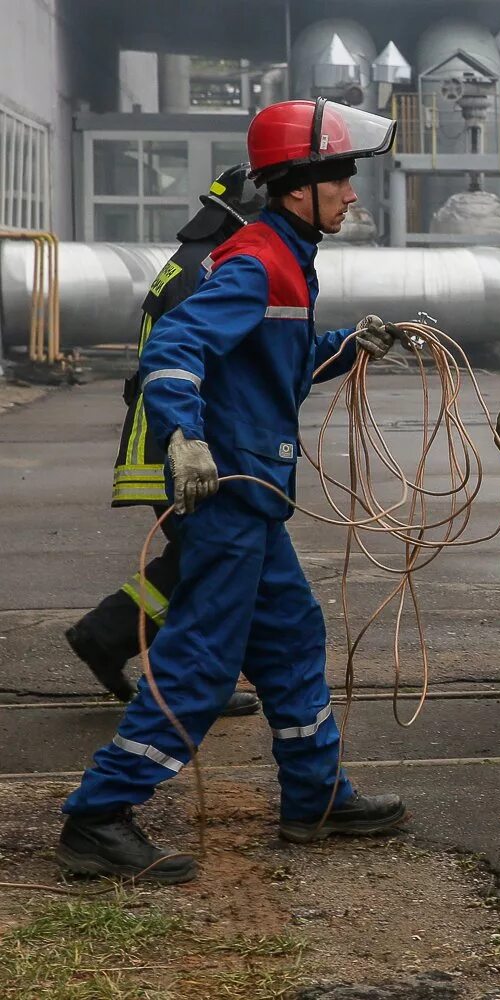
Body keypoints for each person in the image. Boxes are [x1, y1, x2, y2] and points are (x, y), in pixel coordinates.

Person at [57, 99, 411, 884]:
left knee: (290, 640)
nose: (352, 194)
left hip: (255, 494)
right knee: (199, 664)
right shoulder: (258, 259)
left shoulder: (286, 253)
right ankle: (98, 817)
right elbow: (178, 346)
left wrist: (350, 348)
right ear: (297, 187)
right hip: (229, 495)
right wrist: (184, 435)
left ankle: (316, 798)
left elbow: (272, 361)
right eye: (341, 179)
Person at [66, 164, 265, 717]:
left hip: (171, 434)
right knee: (214, 564)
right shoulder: (209, 268)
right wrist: (193, 438)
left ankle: (105, 635)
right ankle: (193, 681)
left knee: (195, 560)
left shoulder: (194, 260)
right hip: (180, 440)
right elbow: (194, 360)